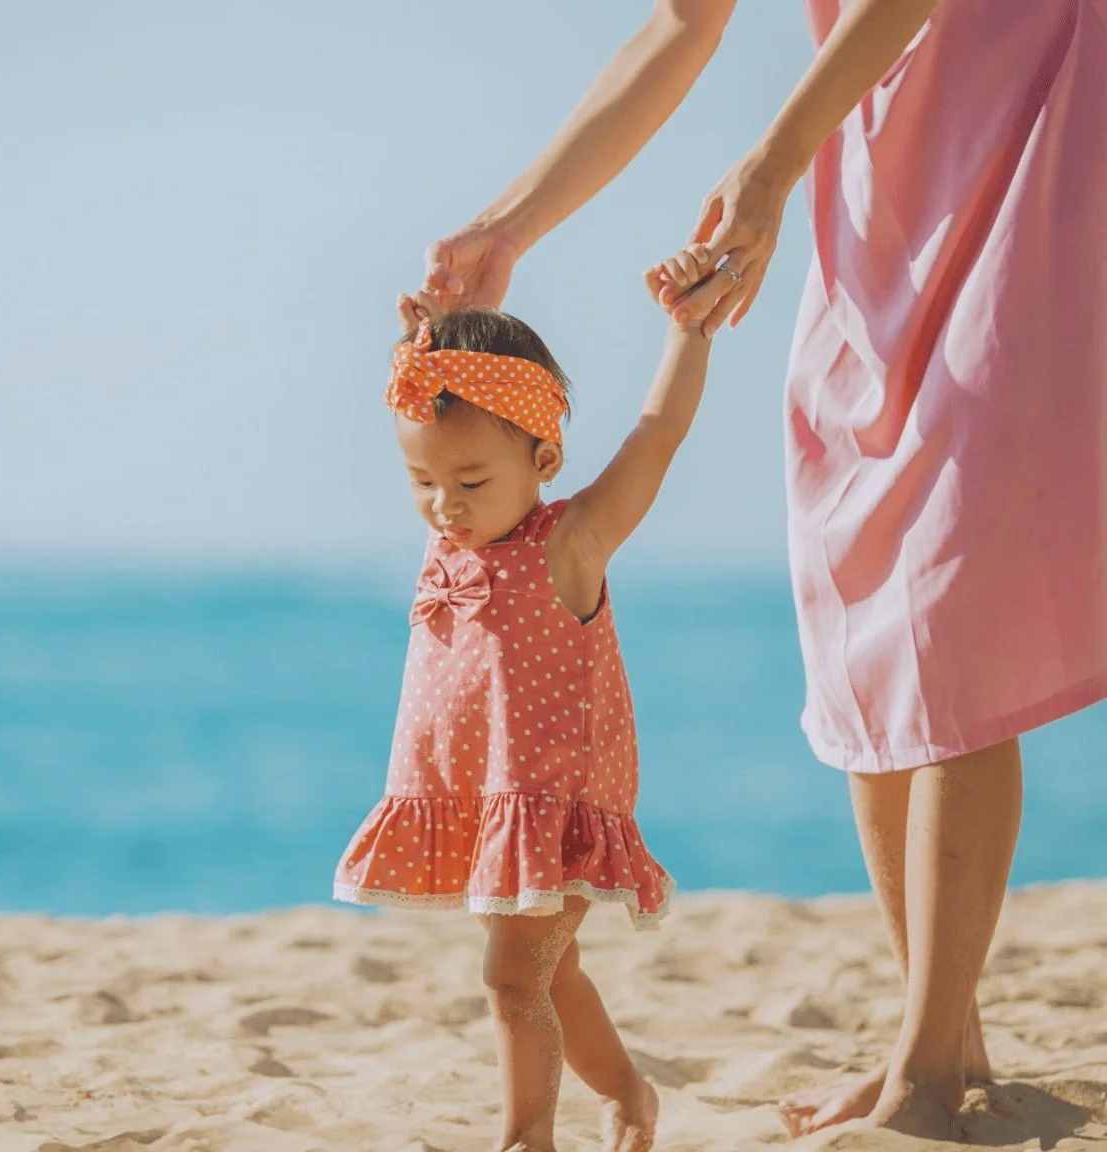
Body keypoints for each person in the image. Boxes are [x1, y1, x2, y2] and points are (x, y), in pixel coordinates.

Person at [418, 0, 1107, 1138]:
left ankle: (929, 1063)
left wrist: (776, 161)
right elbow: (682, 25)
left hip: (1025, 153)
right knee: (866, 612)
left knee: (952, 609)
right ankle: (942, 1037)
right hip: (880, 192)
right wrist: (508, 228)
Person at [332, 257, 740, 1152]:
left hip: (551, 805)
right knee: (550, 976)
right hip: (484, 807)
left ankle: (526, 1138)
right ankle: (629, 1094)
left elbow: (658, 436)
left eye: (471, 483)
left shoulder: (572, 541)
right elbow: (438, 408)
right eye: (422, 482)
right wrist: (425, 336)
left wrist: (687, 331)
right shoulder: (454, 537)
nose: (444, 506)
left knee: (512, 977)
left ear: (543, 459)